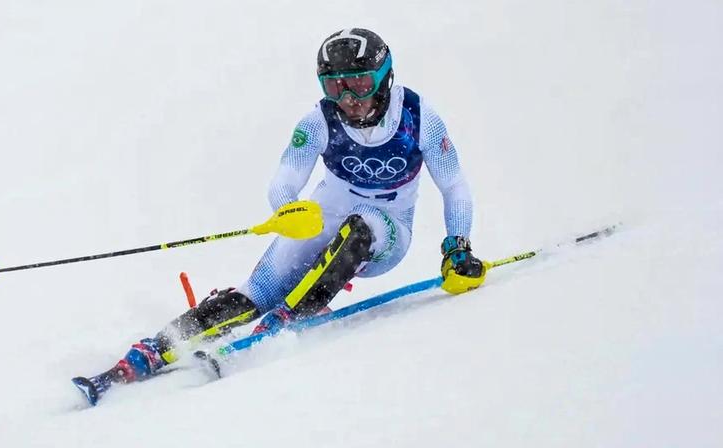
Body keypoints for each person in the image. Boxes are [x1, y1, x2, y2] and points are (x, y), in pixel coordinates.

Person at [73, 28, 486, 405]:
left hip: (389, 229)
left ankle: (287, 318)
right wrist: (289, 211)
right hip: (331, 211)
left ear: (385, 78)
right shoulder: (320, 120)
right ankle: (150, 350)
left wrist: (457, 247)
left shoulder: (417, 116)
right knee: (256, 291)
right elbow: (284, 182)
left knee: (360, 224)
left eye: (360, 83)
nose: (349, 99)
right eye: (335, 86)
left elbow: (454, 187)